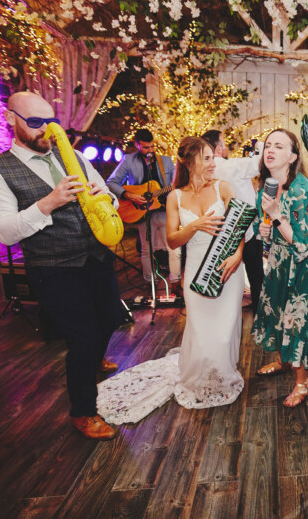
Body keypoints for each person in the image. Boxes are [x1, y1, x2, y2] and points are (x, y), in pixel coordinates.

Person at [0, 91, 122, 440]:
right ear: (11, 119)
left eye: (51, 122)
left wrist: (103, 197)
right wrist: (49, 203)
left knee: (110, 319)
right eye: (36, 123)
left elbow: (110, 195)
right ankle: (83, 412)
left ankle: (93, 358)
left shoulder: (71, 155)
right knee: (83, 338)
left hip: (96, 258)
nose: (46, 131)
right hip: (55, 268)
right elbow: (5, 232)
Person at [96, 137, 245, 423]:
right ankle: (199, 378)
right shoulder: (175, 196)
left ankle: (223, 377)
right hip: (196, 270)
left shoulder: (223, 188)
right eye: (206, 158)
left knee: (225, 329)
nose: (213, 163)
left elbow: (240, 225)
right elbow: (172, 241)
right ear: (189, 164)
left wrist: (238, 255)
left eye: (213, 157)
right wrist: (196, 225)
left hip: (227, 269)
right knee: (201, 329)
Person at [252, 129, 308, 407]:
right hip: (280, 256)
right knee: (278, 307)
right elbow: (261, 222)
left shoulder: (303, 192)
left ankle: (302, 381)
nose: (270, 150)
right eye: (267, 146)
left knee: (297, 316)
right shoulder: (267, 185)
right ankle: (285, 361)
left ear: (292, 156)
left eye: (279, 146)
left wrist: (275, 216)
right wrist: (264, 229)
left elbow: (302, 245)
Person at [107, 129, 181, 291]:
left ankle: (175, 282)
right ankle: (151, 283)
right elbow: (111, 183)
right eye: (146, 148)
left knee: (173, 248)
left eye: (152, 147)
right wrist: (129, 195)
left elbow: (177, 184)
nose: (150, 151)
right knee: (147, 250)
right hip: (141, 213)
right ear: (137, 145)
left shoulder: (166, 162)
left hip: (163, 210)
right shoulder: (128, 160)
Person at [201, 129, 264, 314]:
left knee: (224, 272)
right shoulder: (232, 166)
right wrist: (259, 144)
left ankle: (224, 310)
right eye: (224, 143)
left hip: (218, 230)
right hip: (246, 229)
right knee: (255, 275)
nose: (226, 147)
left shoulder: (204, 171)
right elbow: (259, 163)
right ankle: (259, 313)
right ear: (219, 148)